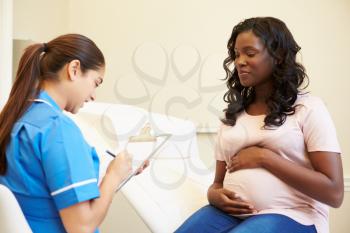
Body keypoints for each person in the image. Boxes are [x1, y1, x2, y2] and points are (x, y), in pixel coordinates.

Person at [175, 17, 343, 233]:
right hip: (229, 214)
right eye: (236, 55)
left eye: (250, 53)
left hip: (294, 214)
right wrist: (213, 194)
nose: (240, 61)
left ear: (279, 56)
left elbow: (334, 192)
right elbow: (218, 182)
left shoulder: (308, 109)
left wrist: (265, 158)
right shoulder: (233, 115)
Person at [0, 34, 147, 233]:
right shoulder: (57, 129)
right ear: (74, 69)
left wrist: (118, 171)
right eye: (96, 82)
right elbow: (82, 226)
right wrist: (113, 176)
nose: (94, 95)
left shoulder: (16, 118)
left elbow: (41, 184)